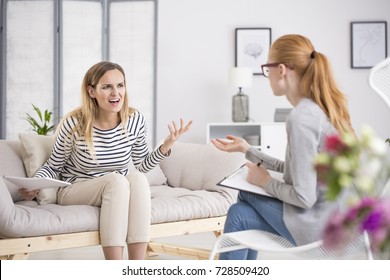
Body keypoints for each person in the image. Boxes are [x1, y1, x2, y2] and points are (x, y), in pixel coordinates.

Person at [19, 61, 192, 260]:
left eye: (120, 85)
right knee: (117, 180)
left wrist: (166, 146)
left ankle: (136, 268)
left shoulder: (134, 120)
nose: (115, 93)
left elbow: (143, 165)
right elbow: (53, 165)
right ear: (92, 91)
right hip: (74, 189)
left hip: (114, 189)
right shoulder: (75, 123)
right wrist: (34, 185)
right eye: (107, 87)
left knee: (137, 179)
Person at [211, 34, 355, 260]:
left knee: (245, 195)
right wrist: (247, 149)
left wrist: (264, 182)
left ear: (281, 69)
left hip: (319, 231)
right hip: (337, 223)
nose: (267, 77)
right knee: (238, 213)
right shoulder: (320, 110)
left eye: (267, 69)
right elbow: (294, 170)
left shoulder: (301, 118)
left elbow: (303, 197)